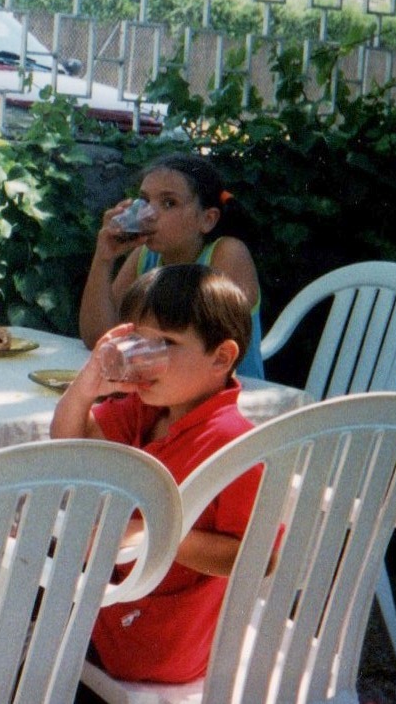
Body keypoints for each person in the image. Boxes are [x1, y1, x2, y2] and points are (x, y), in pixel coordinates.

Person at [52, 263, 261, 686]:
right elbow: (69, 441)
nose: (146, 359)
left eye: (165, 343)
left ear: (221, 357)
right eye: (138, 343)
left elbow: (255, 557)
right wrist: (90, 380)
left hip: (159, 640)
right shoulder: (148, 409)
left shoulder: (235, 443)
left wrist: (152, 538)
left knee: (10, 609)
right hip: (120, 604)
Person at [78, 153, 265, 379]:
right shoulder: (144, 256)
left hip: (232, 396)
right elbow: (98, 338)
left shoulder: (227, 253)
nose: (150, 214)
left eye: (168, 203)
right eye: (145, 201)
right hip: (165, 390)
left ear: (208, 219)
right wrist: (103, 258)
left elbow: (203, 350)